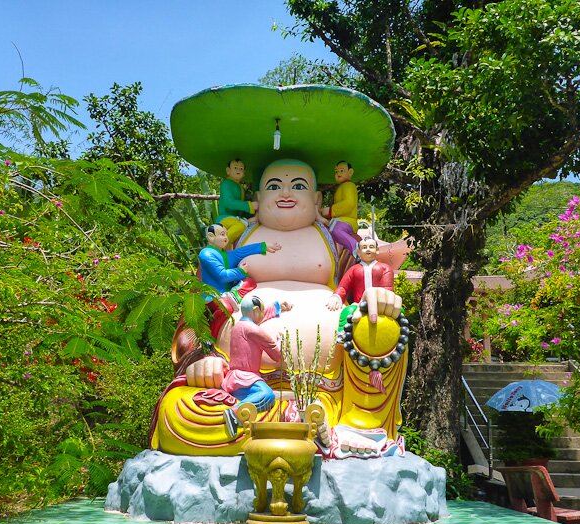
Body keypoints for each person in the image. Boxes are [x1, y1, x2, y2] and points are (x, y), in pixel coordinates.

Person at [151, 158, 405, 458]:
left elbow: (369, 280)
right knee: (177, 412)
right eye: (274, 186)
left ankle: (346, 423)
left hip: (331, 388)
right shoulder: (230, 244)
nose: (286, 192)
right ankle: (304, 425)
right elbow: (197, 307)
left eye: (298, 186)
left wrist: (383, 298)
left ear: (317, 200)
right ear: (257, 198)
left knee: (383, 325)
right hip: (237, 390)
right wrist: (200, 359)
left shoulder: (339, 242)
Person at [221, 295, 292, 438]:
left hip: (233, 379)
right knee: (268, 395)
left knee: (263, 396)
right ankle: (235, 413)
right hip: (246, 378)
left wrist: (276, 307)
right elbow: (276, 355)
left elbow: (257, 317)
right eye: (261, 310)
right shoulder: (254, 330)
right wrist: (281, 341)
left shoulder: (237, 326)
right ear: (255, 310)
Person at [326, 236, 394, 326]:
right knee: (346, 313)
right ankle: (342, 337)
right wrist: (336, 296)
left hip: (381, 306)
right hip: (358, 305)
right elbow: (343, 287)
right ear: (358, 252)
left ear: (377, 250)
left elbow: (387, 290)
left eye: (371, 247)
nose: (368, 250)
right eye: (364, 248)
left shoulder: (385, 268)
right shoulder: (354, 270)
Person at [318, 161, 359, 255]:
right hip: (339, 219)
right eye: (336, 172)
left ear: (350, 172)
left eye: (341, 170)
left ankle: (356, 247)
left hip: (347, 220)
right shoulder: (342, 187)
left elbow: (349, 203)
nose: (338, 173)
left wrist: (330, 210)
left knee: (335, 229)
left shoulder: (349, 186)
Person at [218, 159, 258, 245]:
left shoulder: (241, 188)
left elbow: (240, 209)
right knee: (241, 226)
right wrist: (249, 206)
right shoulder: (226, 184)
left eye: (241, 168)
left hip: (236, 218)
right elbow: (228, 202)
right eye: (235, 168)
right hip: (225, 218)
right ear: (228, 171)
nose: (238, 170)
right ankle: (219, 245)